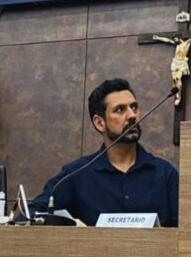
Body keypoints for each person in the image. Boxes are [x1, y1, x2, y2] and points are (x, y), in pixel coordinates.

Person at [30, 78, 179, 226]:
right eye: (120, 110)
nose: (132, 115)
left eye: (134, 107)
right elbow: (31, 216)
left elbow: (187, 228)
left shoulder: (165, 174)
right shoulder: (77, 174)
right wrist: (68, 224)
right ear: (100, 123)